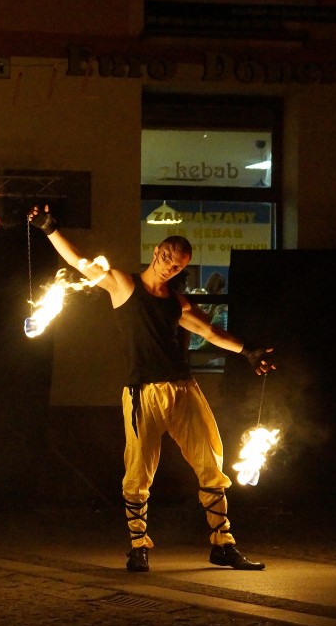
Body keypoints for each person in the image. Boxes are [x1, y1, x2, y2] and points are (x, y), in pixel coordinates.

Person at [27, 206, 275, 573]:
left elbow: (209, 332)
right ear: (158, 251)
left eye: (178, 267)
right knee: (139, 471)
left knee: (211, 463)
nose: (170, 269)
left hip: (185, 390)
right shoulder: (123, 285)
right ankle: (138, 546)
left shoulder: (177, 302)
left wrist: (247, 352)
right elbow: (81, 263)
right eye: (168, 260)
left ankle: (223, 543)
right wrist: (50, 229)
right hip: (143, 393)